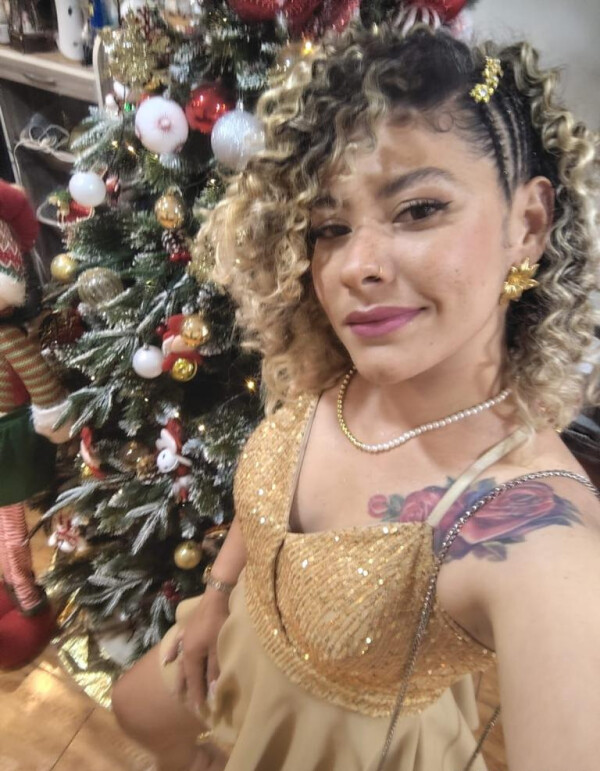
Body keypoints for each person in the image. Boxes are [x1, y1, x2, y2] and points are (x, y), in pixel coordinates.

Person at [111, 21, 600, 771]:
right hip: (237, 646)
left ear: (528, 223)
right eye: (330, 227)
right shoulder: (339, 375)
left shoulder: (538, 529)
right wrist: (218, 595)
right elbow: (266, 508)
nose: (352, 267)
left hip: (344, 744)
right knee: (133, 705)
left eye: (419, 209)